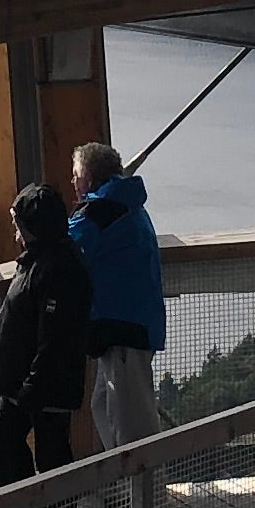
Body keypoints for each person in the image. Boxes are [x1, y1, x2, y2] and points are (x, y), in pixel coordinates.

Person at [0, 180, 92, 508]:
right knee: (12, 443)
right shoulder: (43, 258)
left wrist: (29, 387)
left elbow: (53, 339)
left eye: (17, 222)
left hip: (42, 383)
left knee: (51, 457)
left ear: (32, 226)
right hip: (27, 380)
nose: (14, 230)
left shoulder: (55, 268)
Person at [70, 140, 167, 450]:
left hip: (121, 327)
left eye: (75, 174)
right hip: (135, 320)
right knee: (104, 404)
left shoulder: (101, 210)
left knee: (132, 428)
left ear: (86, 176)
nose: (72, 182)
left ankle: (146, 496)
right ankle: (131, 489)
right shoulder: (128, 203)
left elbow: (66, 247)